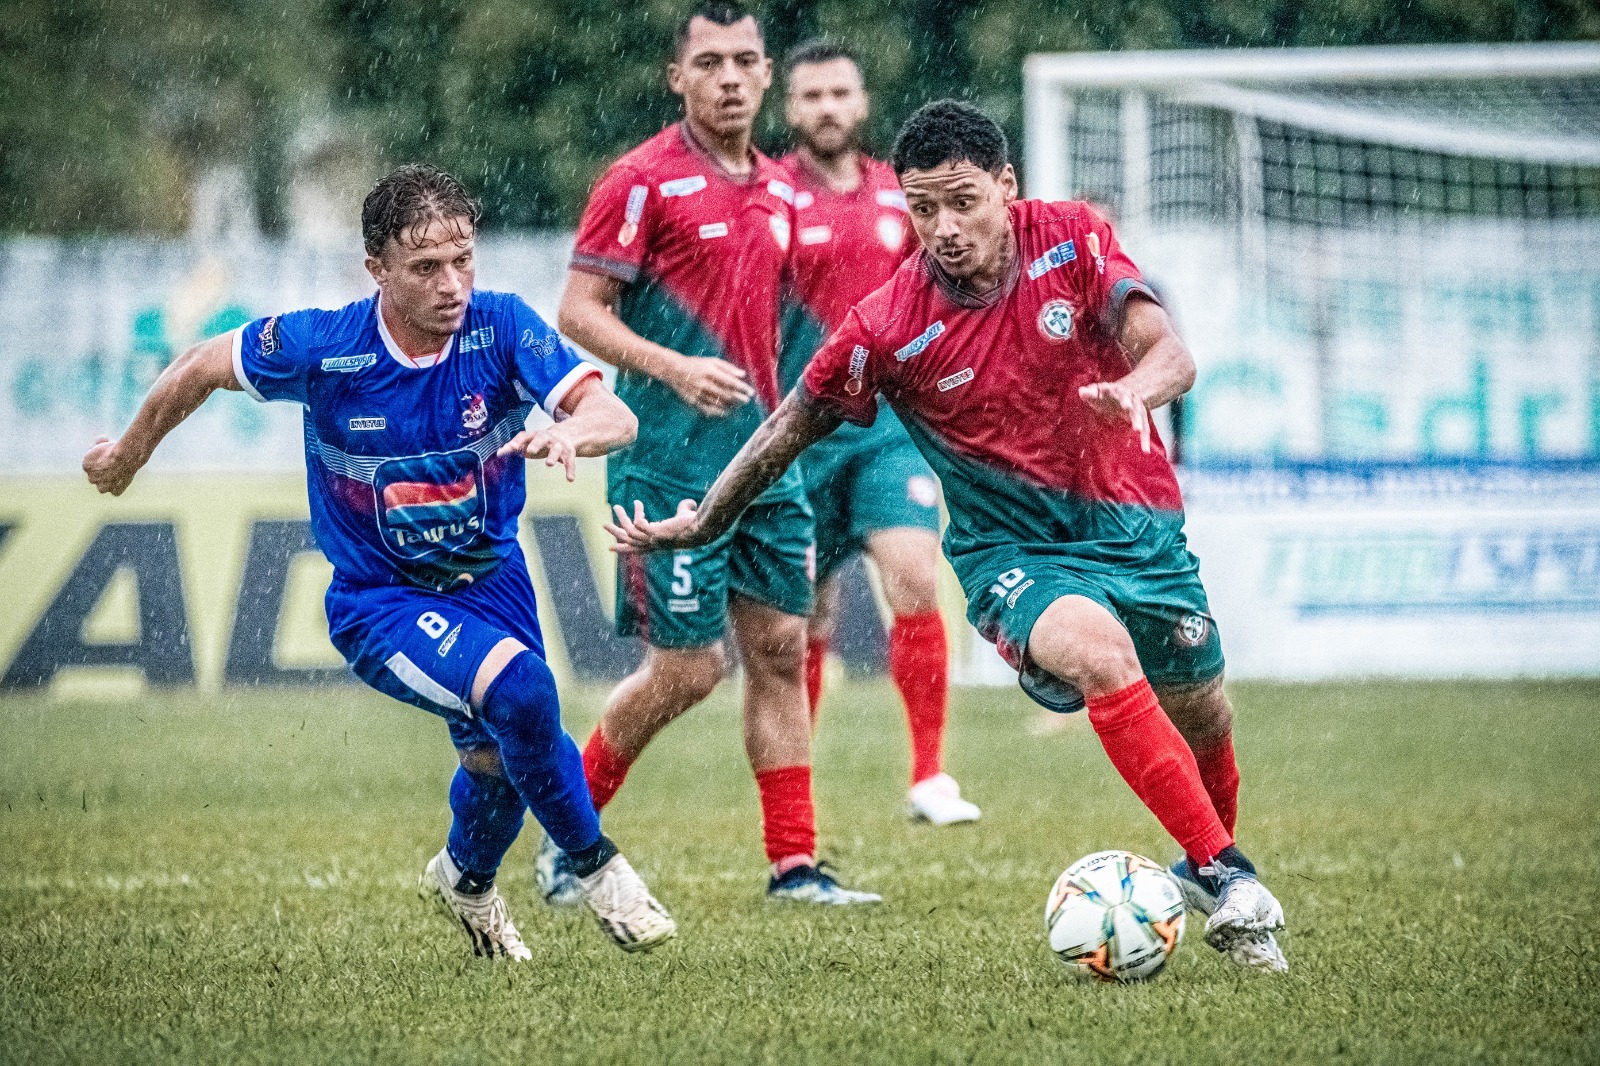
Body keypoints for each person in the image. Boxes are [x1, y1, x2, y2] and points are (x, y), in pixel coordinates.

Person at [606, 100, 1290, 971]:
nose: (944, 228)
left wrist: (1138, 390)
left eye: (963, 201)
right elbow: (785, 429)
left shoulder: (1074, 238)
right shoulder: (889, 324)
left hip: (1140, 530)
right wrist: (705, 518)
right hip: (1015, 557)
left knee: (1205, 711)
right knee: (1101, 652)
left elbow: (1171, 352)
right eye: (923, 209)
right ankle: (1233, 877)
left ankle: (1205, 862)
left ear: (1007, 186)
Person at [82, 164, 677, 959]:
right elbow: (196, 368)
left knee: (498, 758)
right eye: (426, 267)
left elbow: (614, 413)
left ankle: (464, 881)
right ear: (377, 271)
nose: (452, 283)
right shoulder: (325, 344)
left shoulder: (501, 326)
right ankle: (598, 868)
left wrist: (572, 429)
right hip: (380, 601)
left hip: (494, 580)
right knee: (527, 693)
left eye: (463, 260)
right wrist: (126, 457)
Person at [543, 1, 879, 906]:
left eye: (744, 61)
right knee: (688, 670)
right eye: (710, 63)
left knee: (778, 648)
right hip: (670, 464)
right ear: (678, 77)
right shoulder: (640, 179)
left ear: (767, 75)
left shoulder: (780, 189)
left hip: (769, 465)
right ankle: (567, 837)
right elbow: (577, 313)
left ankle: (795, 866)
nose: (729, 78)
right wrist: (674, 369)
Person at [777, 41, 978, 826]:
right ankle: (800, 789)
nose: (826, 107)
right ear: (791, 109)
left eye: (839, 93)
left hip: (889, 426)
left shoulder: (904, 198)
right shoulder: (770, 198)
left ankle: (930, 775)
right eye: (811, 95)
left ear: (860, 105)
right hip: (802, 431)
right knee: (807, 621)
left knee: (915, 574)